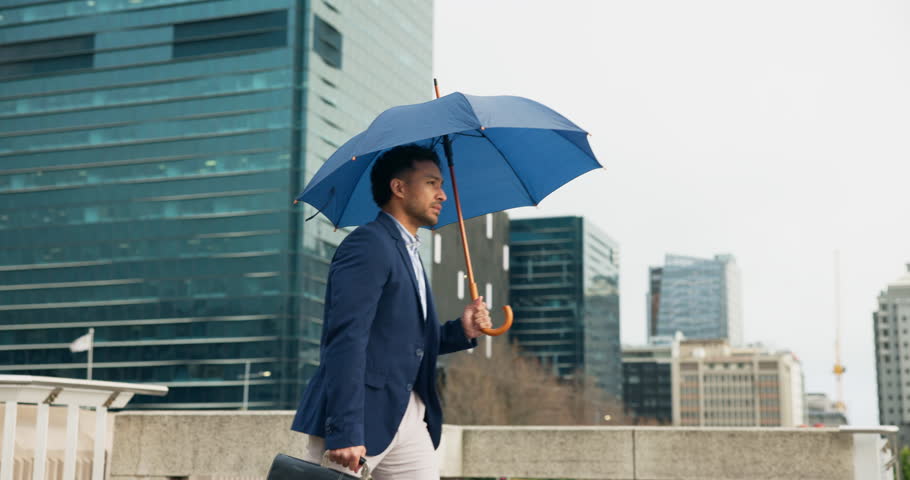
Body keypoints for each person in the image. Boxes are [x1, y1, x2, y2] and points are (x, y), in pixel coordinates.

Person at [291, 144, 492, 479]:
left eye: (442, 185)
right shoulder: (368, 244)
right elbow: (346, 339)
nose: (442, 195)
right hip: (360, 416)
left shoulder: (410, 252)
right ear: (398, 188)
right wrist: (344, 429)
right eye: (431, 183)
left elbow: (404, 340)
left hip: (408, 412)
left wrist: (462, 330)